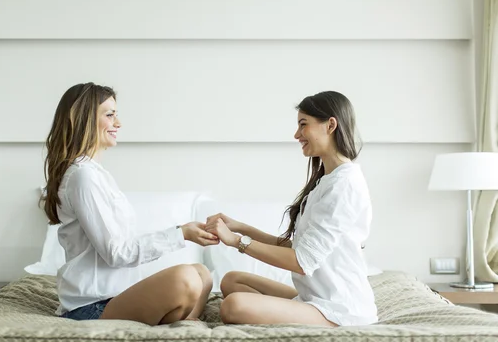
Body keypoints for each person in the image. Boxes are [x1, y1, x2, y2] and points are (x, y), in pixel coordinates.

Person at [41, 82, 219, 325]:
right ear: (84, 119)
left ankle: (182, 325)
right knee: (187, 277)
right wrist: (180, 234)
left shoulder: (96, 174)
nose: (118, 123)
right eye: (110, 115)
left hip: (117, 294)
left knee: (202, 273)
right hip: (92, 305)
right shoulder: (83, 176)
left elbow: (122, 243)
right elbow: (116, 253)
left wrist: (183, 231)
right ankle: (182, 323)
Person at [205, 91, 378, 327]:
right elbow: (299, 247)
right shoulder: (327, 180)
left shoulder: (344, 186)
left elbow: (301, 261)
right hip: (315, 297)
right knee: (232, 280)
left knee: (233, 306)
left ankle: (280, 315)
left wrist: (237, 241)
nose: (297, 135)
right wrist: (240, 227)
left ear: (330, 125)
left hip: (341, 309)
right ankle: (280, 314)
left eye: (303, 125)